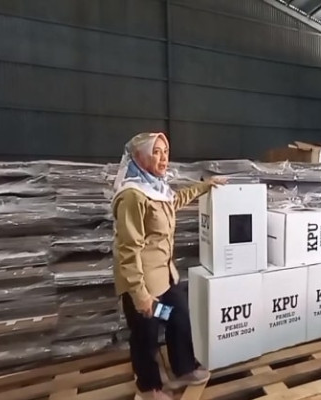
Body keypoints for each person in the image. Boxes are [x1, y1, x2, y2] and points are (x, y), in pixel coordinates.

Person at [112, 132, 226, 400]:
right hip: (143, 284)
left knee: (178, 317)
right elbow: (127, 250)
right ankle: (148, 387)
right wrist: (140, 295)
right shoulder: (133, 196)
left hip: (164, 278)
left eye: (166, 152)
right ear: (139, 157)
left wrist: (205, 186)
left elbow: (175, 202)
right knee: (146, 334)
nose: (164, 158)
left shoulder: (157, 189)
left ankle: (183, 368)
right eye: (156, 152)